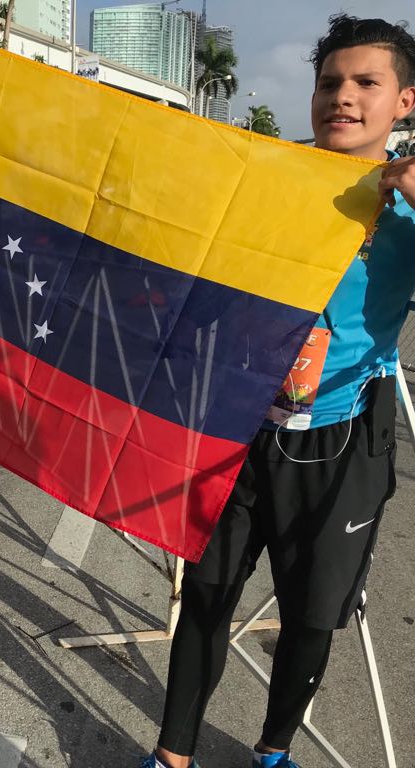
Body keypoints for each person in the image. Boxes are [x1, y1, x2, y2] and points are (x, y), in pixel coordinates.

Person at [141, 15, 415, 768]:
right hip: (238, 422)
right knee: (206, 596)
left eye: (367, 83)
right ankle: (172, 756)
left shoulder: (411, 206)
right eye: (330, 82)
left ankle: (272, 750)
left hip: (340, 439)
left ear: (406, 102)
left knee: (311, 615)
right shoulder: (266, 175)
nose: (343, 97)